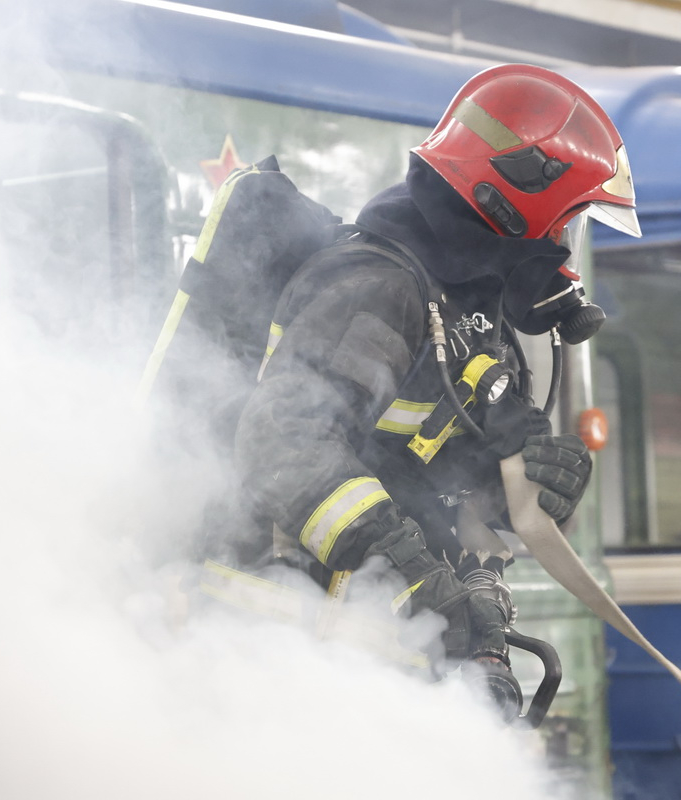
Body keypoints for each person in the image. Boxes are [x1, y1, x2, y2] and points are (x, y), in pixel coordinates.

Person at [221, 64, 641, 683]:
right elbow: (283, 443)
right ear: (518, 202)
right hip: (294, 635)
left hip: (382, 639)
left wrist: (535, 491)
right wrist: (406, 567)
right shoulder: (378, 288)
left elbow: (436, 472)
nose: (563, 246)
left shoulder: (472, 312)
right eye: (566, 221)